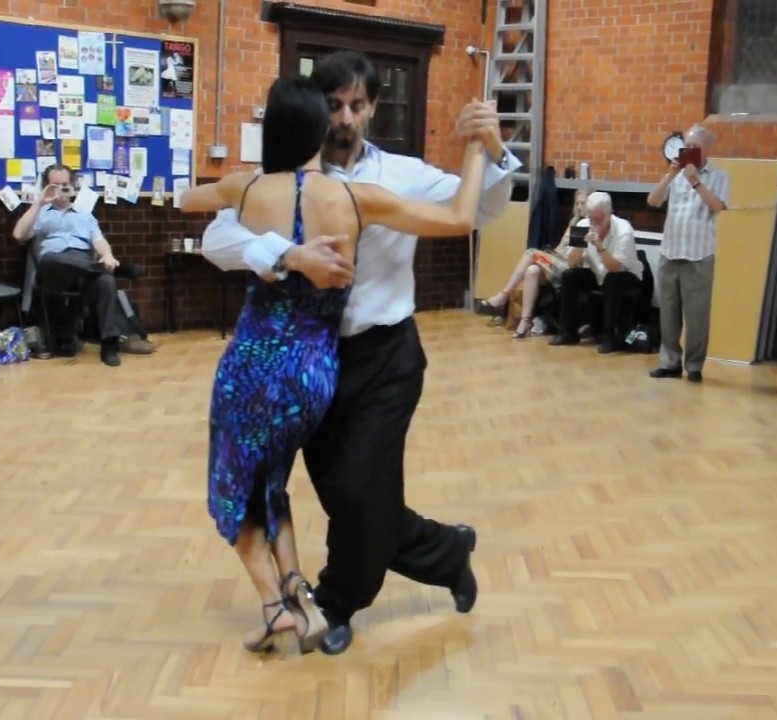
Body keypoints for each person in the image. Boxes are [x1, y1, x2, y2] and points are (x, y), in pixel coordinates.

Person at [202, 50, 521, 655]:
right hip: (316, 365)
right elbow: (220, 233)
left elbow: (475, 210)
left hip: (387, 358)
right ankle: (450, 551)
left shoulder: (401, 176)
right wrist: (289, 255)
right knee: (355, 498)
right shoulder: (283, 177)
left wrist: (493, 150)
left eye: (357, 105)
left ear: (373, 108)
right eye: (333, 105)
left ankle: (336, 602)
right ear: (316, 110)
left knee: (355, 493)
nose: (345, 118)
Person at [11, 164, 154, 367]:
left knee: (106, 280)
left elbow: (99, 241)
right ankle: (109, 270)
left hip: (83, 268)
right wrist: (39, 202)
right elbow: (19, 235)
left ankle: (109, 345)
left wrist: (108, 256)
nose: (61, 188)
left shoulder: (85, 215)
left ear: (73, 186)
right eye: (55, 185)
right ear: (46, 187)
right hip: (54, 269)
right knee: (52, 258)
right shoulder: (40, 214)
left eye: (65, 184)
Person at [646, 124, 730, 383]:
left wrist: (696, 181)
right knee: (668, 313)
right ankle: (669, 362)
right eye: (687, 147)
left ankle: (694, 366)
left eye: (695, 147)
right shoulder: (676, 174)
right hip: (670, 252)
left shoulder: (719, 175)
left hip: (699, 254)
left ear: (706, 148)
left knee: (697, 316)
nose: (689, 152)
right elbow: (653, 201)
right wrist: (670, 176)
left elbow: (717, 206)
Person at [476, 187, 592, 339]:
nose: (579, 207)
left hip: (572, 270)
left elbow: (576, 258)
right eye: (577, 203)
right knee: (532, 271)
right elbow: (560, 248)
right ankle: (525, 322)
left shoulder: (587, 225)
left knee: (531, 253)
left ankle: (504, 295)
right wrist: (549, 256)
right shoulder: (574, 223)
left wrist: (546, 258)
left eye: (583, 203)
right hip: (559, 262)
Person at [550, 191, 644, 353]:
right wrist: (580, 245)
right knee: (570, 276)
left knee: (612, 279)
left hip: (626, 275)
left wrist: (600, 246)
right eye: (591, 218)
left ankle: (609, 335)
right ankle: (568, 331)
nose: (594, 223)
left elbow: (614, 267)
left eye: (598, 219)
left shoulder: (623, 229)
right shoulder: (582, 225)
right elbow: (572, 263)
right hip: (598, 274)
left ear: (610, 214)